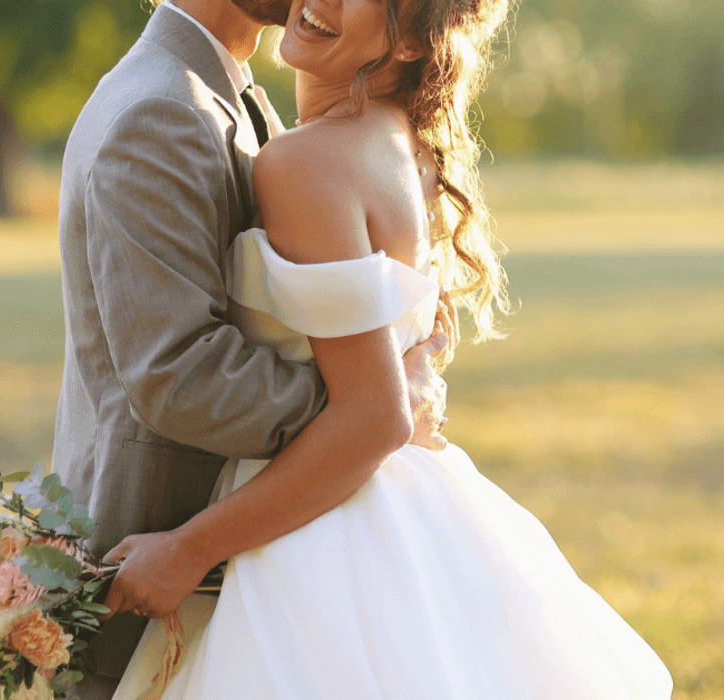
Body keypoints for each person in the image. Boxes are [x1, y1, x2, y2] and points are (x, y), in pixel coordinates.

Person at [99, 0, 676, 698]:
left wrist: (189, 548)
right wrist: (402, 384)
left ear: (409, 38)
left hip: (321, 537)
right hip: (403, 508)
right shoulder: (400, 141)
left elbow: (373, 418)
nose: (318, 2)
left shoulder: (304, 162)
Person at [51, 0, 455, 697]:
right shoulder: (162, 111)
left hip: (261, 558)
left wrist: (377, 403)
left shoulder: (245, 102)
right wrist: (378, 406)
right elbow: (180, 378)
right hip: (153, 549)